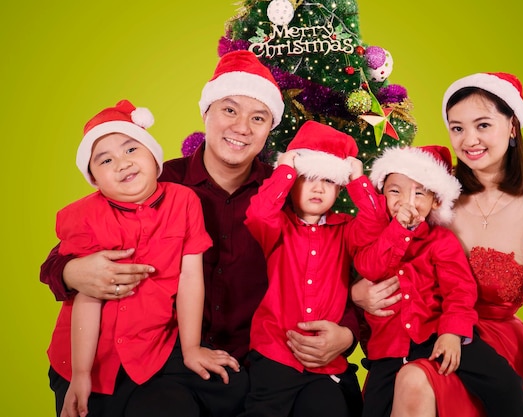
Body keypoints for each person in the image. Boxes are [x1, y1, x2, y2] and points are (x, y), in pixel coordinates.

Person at [41, 50, 361, 417]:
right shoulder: (154, 181)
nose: (242, 127)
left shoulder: (289, 197)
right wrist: (71, 272)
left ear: (269, 129)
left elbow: (329, 268)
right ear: (205, 112)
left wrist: (347, 333)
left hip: (250, 364)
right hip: (159, 358)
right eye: (229, 110)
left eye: (258, 118)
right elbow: (71, 248)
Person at [354, 72, 523, 417]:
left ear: (512, 126)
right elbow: (373, 251)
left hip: (489, 348)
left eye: (483, 125)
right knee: (406, 377)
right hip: (418, 334)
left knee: (415, 378)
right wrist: (357, 293)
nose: (470, 140)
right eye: (457, 128)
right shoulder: (429, 194)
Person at [47, 100, 215, 417]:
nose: (122, 164)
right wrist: (82, 373)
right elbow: (89, 294)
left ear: (153, 155)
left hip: (153, 349)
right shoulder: (84, 217)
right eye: (105, 160)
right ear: (94, 179)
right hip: (87, 355)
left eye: (130, 150)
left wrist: (191, 349)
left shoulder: (184, 201)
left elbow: (190, 277)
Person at [348, 144, 523, 417]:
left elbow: (460, 290)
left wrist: (452, 333)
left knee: (506, 384)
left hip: (435, 334)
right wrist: (398, 231)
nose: (406, 201)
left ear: (435, 201)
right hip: (388, 349)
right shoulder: (371, 236)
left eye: (419, 192)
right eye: (395, 190)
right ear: (381, 194)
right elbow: (370, 267)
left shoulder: (441, 241)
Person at [240, 120, 364, 417]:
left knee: (329, 407)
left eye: (328, 180)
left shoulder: (345, 229)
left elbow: (376, 231)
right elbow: (258, 213)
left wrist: (358, 182)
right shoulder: (278, 226)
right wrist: (285, 169)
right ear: (294, 180)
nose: (318, 188)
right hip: (275, 353)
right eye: (308, 177)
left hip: (324, 364)